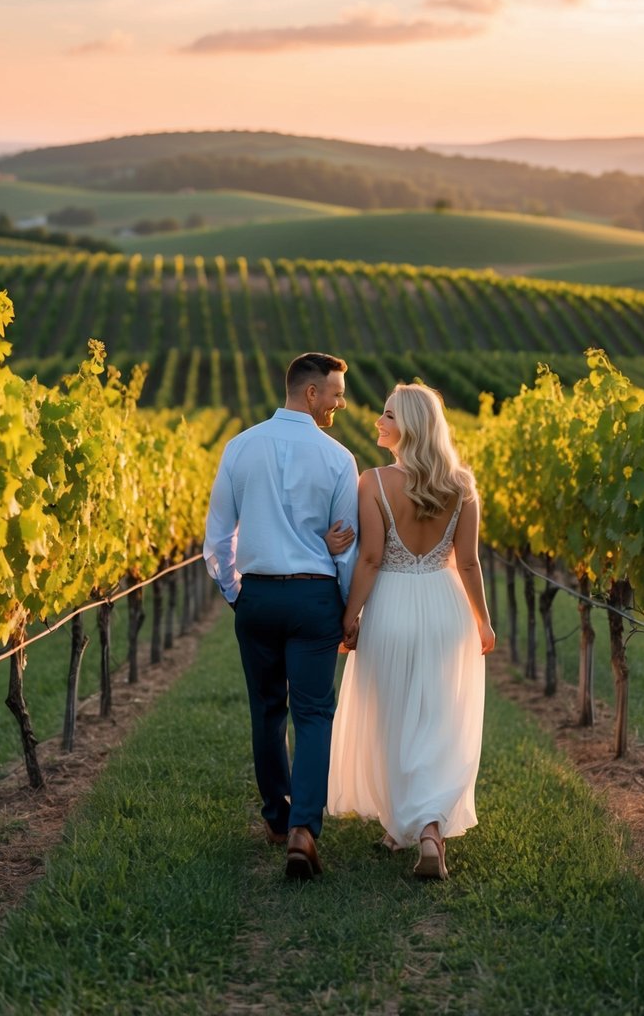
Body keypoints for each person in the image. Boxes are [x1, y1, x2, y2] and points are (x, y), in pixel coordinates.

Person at [328, 383, 495, 880]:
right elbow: (467, 562)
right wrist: (483, 620)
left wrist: (349, 616)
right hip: (446, 608)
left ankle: (408, 825)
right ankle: (423, 829)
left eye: (388, 415)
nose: (378, 421)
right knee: (438, 717)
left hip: (392, 606)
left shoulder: (373, 482)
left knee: (392, 715)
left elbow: (373, 559)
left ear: (411, 427)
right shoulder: (462, 485)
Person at [204, 352, 359, 880]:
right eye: (336, 392)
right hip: (314, 598)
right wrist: (346, 608)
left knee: (267, 710)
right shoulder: (339, 459)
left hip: (259, 597)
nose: (341, 402)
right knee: (313, 714)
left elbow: (218, 538)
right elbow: (346, 549)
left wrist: (234, 592)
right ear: (310, 393)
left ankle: (276, 818)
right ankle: (303, 830)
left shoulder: (239, 447)